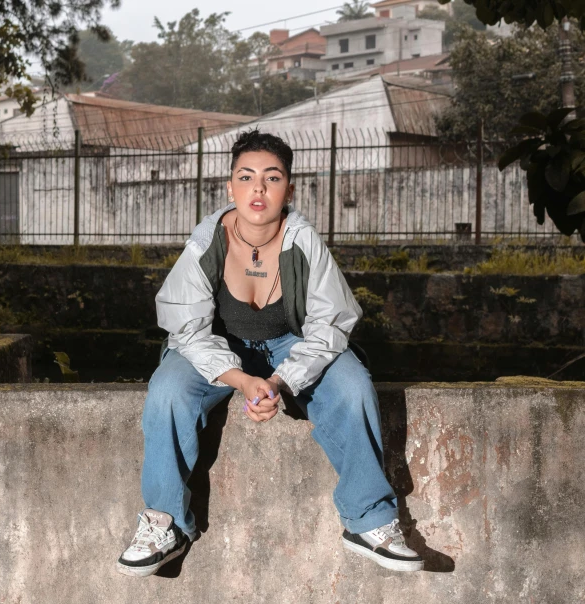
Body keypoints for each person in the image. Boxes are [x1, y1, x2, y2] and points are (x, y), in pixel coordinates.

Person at [116, 130, 423, 577]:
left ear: (289, 189)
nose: (258, 189)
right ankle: (163, 524)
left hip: (292, 345)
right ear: (230, 187)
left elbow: (329, 325)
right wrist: (241, 380)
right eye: (246, 176)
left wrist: (279, 381)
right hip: (215, 347)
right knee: (166, 391)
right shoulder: (207, 242)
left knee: (354, 384)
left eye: (272, 177)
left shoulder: (304, 241)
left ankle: (369, 521)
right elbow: (187, 328)